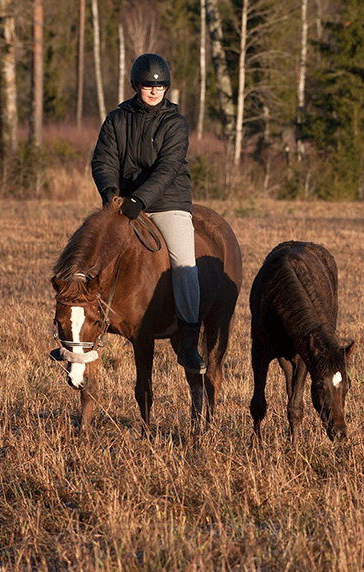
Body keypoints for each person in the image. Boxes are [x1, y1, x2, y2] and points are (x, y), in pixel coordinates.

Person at [91, 52, 206, 375]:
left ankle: (188, 341)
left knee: (185, 265)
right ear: (135, 86)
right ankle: (79, 334)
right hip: (123, 204)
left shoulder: (175, 123)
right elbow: (103, 161)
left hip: (168, 203)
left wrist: (140, 201)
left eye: (161, 87)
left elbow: (168, 169)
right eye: (147, 86)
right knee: (87, 256)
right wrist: (111, 194)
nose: (155, 92)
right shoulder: (116, 119)